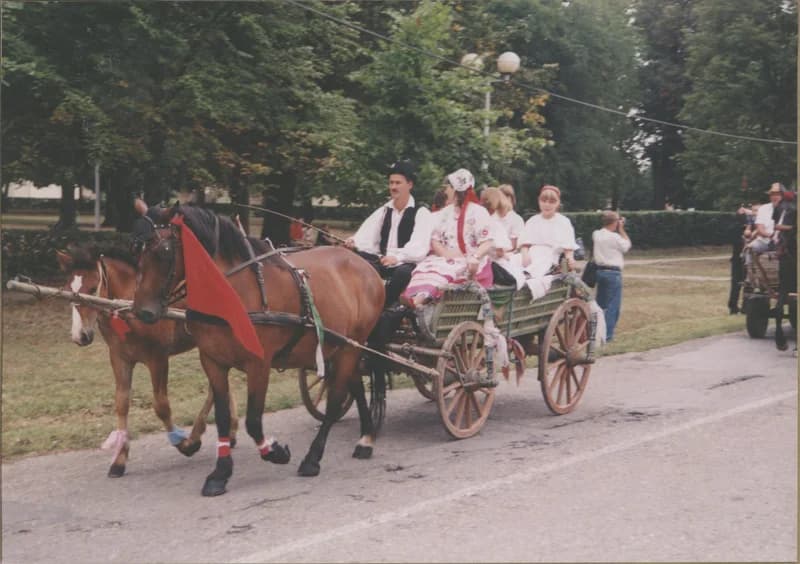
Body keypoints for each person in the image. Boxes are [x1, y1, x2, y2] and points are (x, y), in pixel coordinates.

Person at [344, 158, 433, 307]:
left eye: (398, 183)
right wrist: (354, 242)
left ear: (410, 185)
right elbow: (367, 235)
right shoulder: (384, 211)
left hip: (406, 263)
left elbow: (419, 247)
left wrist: (397, 258)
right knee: (357, 263)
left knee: (402, 273)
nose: (393, 187)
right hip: (383, 260)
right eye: (391, 183)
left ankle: (382, 307)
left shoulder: (421, 212)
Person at [400, 168, 494, 308]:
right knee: (426, 267)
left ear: (455, 189)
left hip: (470, 260)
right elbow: (435, 239)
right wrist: (446, 254)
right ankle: (413, 297)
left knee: (447, 270)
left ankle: (419, 299)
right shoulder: (444, 213)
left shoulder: (478, 212)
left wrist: (475, 256)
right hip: (446, 257)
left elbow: (487, 241)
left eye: (448, 187)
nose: (445, 191)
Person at [519, 185, 578, 279]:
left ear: (558, 203)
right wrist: (525, 255)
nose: (547, 205)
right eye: (544, 201)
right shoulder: (532, 221)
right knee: (511, 263)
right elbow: (524, 244)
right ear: (539, 201)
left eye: (551, 202)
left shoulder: (564, 222)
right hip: (530, 256)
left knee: (539, 268)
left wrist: (569, 261)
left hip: (550, 258)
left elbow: (568, 250)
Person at [592, 210, 631, 342]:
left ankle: (596, 333)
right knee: (613, 306)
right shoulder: (615, 237)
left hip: (600, 272)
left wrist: (617, 224)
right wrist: (621, 229)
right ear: (615, 222)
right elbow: (627, 246)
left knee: (600, 305)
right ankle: (607, 336)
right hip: (613, 273)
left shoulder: (596, 234)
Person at [749, 182, 785, 255]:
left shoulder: (789, 209)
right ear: (769, 196)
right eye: (772, 194)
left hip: (784, 242)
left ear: (783, 196)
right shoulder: (763, 208)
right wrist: (771, 236)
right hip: (764, 241)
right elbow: (760, 229)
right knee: (750, 248)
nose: (775, 197)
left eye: (777, 194)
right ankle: (748, 262)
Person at [497, 184, 525, 251]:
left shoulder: (517, 220)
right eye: (500, 197)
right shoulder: (490, 216)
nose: (503, 200)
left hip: (508, 253)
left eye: (506, 196)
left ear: (512, 200)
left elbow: (513, 246)